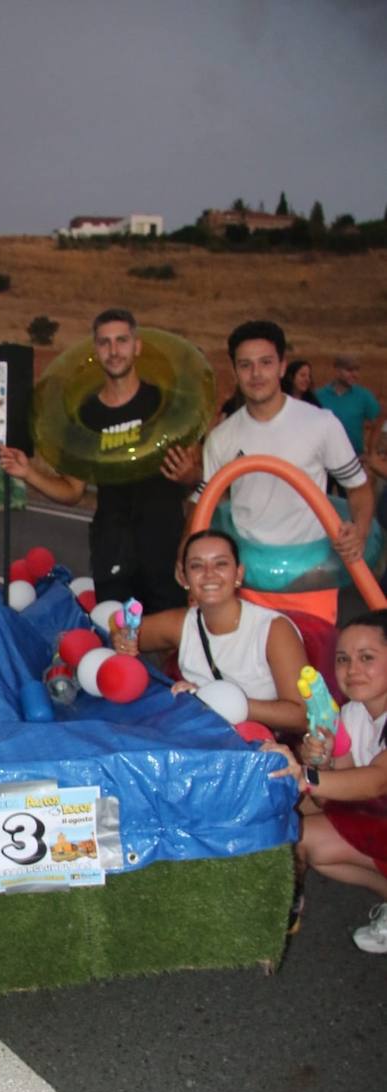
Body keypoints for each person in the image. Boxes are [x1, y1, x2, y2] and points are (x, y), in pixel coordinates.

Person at [0, 308, 200, 613]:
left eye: (121, 341)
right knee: (117, 639)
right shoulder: (85, 417)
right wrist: (29, 473)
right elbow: (72, 491)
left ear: (137, 346)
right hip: (113, 543)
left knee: (172, 639)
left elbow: (195, 478)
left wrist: (189, 475)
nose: (114, 351)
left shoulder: (164, 405)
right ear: (96, 350)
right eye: (105, 343)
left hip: (165, 541)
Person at [182, 321, 374, 625]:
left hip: (312, 581)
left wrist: (359, 531)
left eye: (266, 363)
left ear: (282, 366)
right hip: (248, 582)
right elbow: (201, 502)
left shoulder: (321, 424)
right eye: (245, 365)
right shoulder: (222, 438)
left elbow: (358, 488)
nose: (256, 374)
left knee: (311, 672)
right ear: (235, 371)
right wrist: (185, 554)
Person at [264, 610, 387, 953]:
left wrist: (306, 775)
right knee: (301, 828)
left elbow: (377, 782)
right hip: (378, 818)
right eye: (343, 659)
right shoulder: (352, 713)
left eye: (367, 658)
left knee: (299, 835)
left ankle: (275, 917)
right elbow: (341, 798)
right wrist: (322, 758)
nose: (352, 669)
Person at [109, 530, 307, 733]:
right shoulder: (181, 623)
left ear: (238, 573)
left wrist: (212, 699)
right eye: (196, 565)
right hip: (198, 739)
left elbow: (301, 716)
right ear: (183, 576)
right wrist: (123, 640)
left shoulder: (274, 629)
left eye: (220, 563)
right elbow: (118, 628)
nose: (209, 573)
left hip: (257, 748)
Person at [316, 355, 380, 458]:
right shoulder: (319, 396)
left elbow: (378, 421)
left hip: (354, 457)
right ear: (337, 371)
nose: (355, 374)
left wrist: (371, 450)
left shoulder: (364, 396)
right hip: (323, 457)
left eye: (357, 370)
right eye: (349, 370)